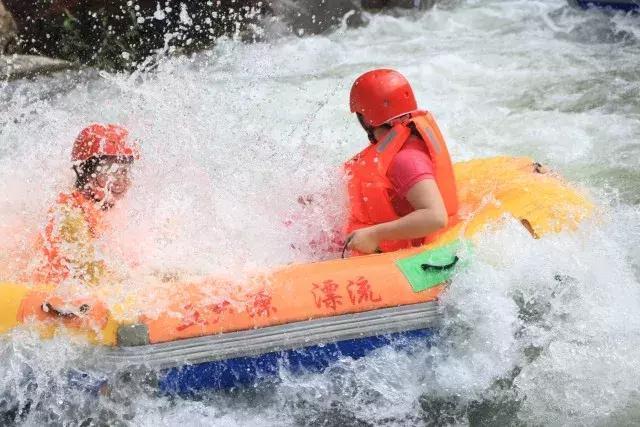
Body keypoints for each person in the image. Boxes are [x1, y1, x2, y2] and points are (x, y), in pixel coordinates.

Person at [344, 69, 459, 255]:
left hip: (405, 254)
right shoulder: (395, 143)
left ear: (365, 118)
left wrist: (374, 235)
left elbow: (435, 217)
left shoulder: (405, 160)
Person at [31, 123, 139, 285]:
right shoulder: (69, 215)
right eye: (111, 171)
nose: (121, 181)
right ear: (84, 173)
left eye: (125, 171)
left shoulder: (105, 209)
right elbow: (92, 275)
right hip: (54, 297)